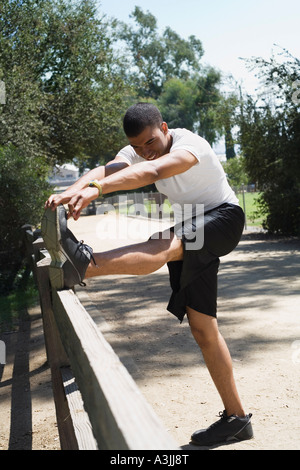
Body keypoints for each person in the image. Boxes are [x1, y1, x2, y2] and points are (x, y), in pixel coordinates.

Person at [43, 102, 253, 446]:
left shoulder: (190, 147)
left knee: (163, 242)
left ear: (165, 128)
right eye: (138, 147)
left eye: (150, 143)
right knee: (203, 328)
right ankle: (237, 419)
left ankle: (83, 264)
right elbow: (107, 170)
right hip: (194, 225)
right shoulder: (136, 149)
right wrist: (71, 190)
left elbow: (151, 174)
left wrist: (95, 192)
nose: (145, 152)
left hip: (224, 217)